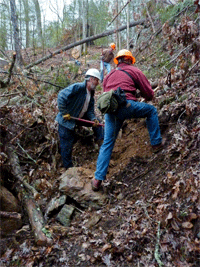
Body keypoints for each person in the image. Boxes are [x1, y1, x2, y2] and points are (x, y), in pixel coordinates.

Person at [91, 49, 163, 191]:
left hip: (111, 112)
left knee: (108, 143)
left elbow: (107, 93)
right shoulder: (134, 71)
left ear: (118, 61)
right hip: (128, 105)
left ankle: (97, 180)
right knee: (151, 111)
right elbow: (149, 94)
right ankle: (156, 144)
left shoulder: (110, 74)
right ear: (130, 60)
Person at [56, 68, 104, 170]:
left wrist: (93, 119)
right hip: (67, 121)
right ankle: (69, 169)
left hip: (79, 118)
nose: (97, 83)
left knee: (98, 123)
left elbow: (90, 110)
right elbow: (61, 96)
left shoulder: (91, 93)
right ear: (90, 79)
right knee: (67, 146)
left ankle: (102, 144)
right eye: (96, 80)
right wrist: (64, 113)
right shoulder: (77, 87)